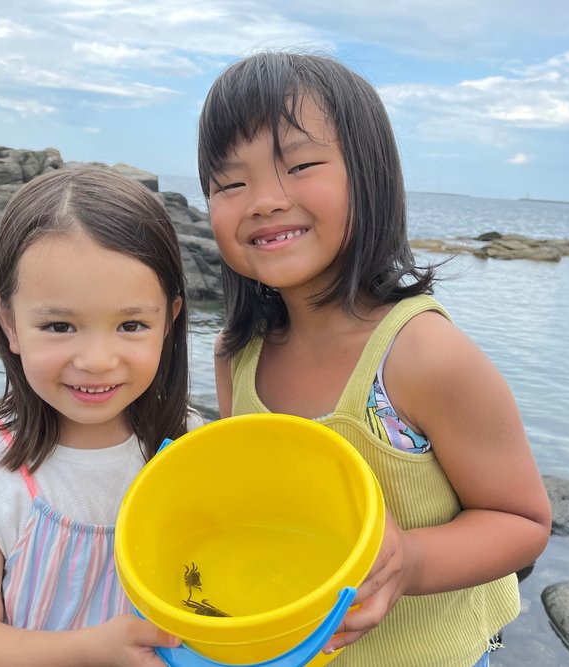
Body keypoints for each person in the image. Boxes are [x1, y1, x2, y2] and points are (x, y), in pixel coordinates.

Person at [198, 51, 551, 667]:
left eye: (300, 166)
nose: (264, 200)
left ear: (370, 177)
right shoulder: (238, 355)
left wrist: (409, 561)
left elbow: (521, 520)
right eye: (231, 183)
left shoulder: (423, 356)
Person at [0, 166, 198, 666]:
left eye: (131, 325)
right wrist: (92, 651)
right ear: (8, 322)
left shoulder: (192, 445)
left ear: (169, 321)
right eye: (60, 326)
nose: (97, 361)